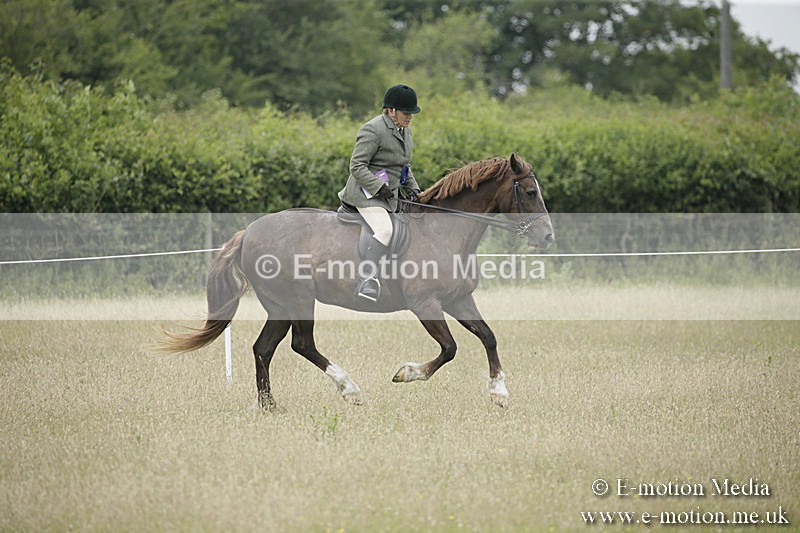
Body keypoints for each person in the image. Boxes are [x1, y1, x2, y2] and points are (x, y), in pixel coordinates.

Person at [338, 84, 422, 302]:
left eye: (412, 113)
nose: (410, 117)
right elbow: (356, 166)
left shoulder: (405, 131)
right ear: (391, 110)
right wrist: (377, 187)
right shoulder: (373, 129)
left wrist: (415, 190)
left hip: (388, 195)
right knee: (385, 230)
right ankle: (369, 280)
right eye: (406, 113)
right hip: (365, 194)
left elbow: (403, 166)